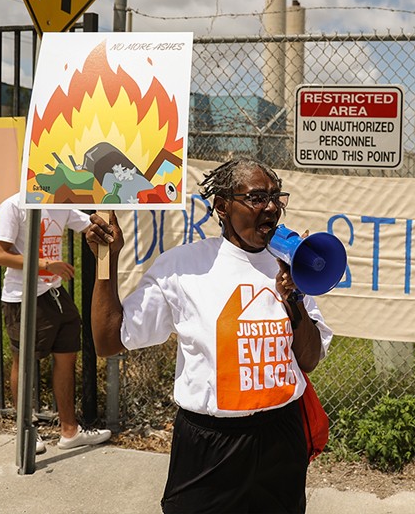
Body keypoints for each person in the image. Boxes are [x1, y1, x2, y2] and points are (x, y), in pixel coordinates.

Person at [85, 157, 333, 514]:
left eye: (276, 197)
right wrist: (106, 260)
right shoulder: (183, 268)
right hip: (210, 444)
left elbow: (308, 360)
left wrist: (294, 298)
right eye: (257, 198)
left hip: (281, 436)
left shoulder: (293, 265)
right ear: (221, 206)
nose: (271, 207)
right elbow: (108, 340)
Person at [0, 193, 112, 454]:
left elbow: (93, 225)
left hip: (55, 295)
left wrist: (112, 203)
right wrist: (46, 264)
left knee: (67, 359)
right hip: (23, 297)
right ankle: (26, 430)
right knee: (23, 363)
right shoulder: (13, 206)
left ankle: (70, 431)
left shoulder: (59, 205)